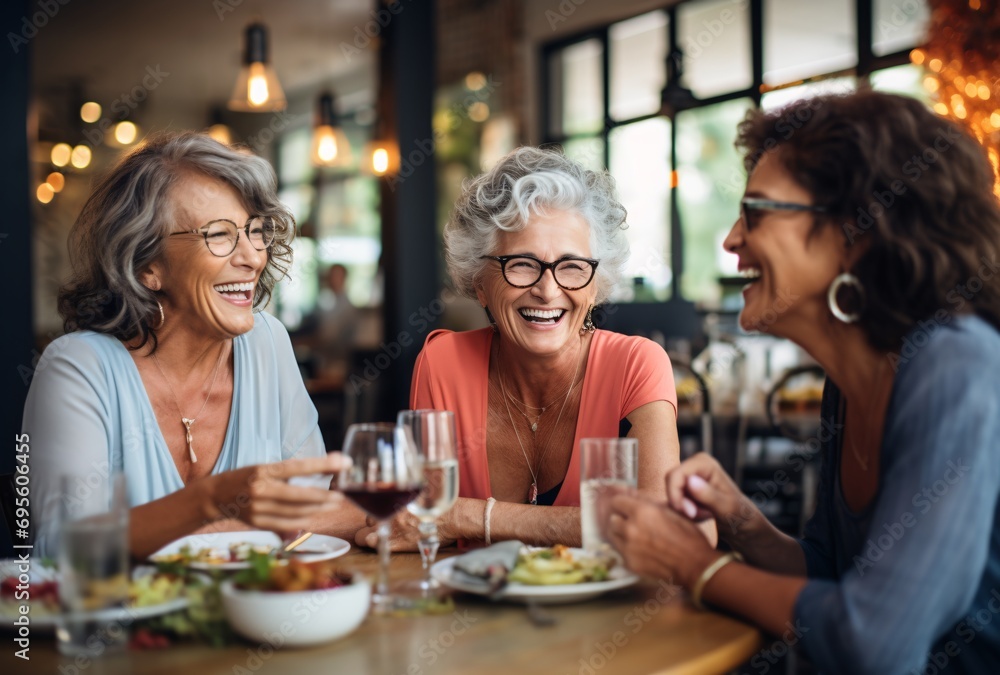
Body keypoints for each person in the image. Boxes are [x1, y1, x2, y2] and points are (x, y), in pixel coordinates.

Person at [606, 91, 1000, 673]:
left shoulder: (957, 368)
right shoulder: (848, 383)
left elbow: (877, 642)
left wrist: (698, 567)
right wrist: (741, 520)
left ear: (855, 233)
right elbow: (832, 577)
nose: (732, 240)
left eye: (757, 213)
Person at [357, 146, 714, 551]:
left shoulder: (637, 365)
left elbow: (672, 530)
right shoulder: (443, 363)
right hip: (473, 608)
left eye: (573, 266)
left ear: (595, 287)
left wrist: (469, 517)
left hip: (603, 613)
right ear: (479, 282)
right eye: (522, 263)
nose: (547, 290)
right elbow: (414, 527)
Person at [25, 132, 361, 559]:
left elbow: (307, 512)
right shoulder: (78, 368)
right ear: (147, 264)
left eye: (255, 231)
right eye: (220, 235)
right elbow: (64, 549)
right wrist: (212, 499)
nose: (254, 257)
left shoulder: (267, 341)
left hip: (258, 615)